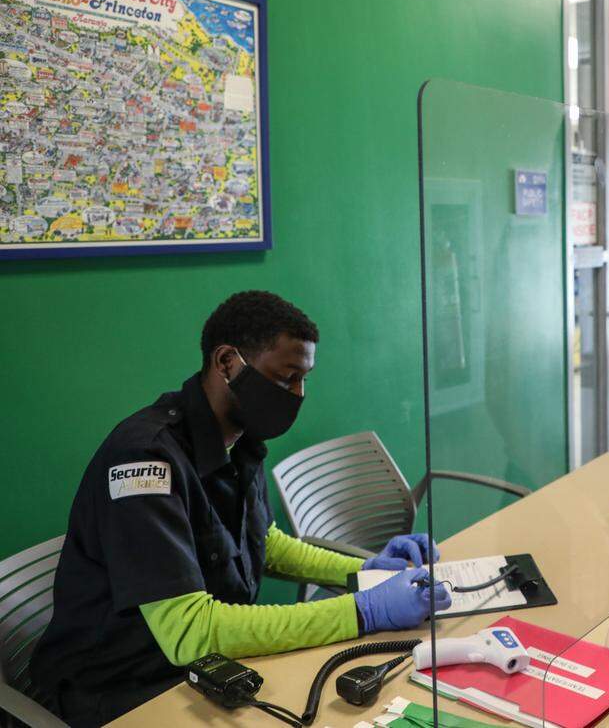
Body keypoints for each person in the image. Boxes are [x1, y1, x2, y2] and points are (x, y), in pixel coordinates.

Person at [29, 291, 451, 726]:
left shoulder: (240, 441)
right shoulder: (144, 462)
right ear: (227, 362)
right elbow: (190, 633)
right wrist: (364, 611)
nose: (297, 394)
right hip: (119, 688)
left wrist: (366, 569)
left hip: (203, 668)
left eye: (304, 379)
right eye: (286, 377)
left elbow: (264, 542)